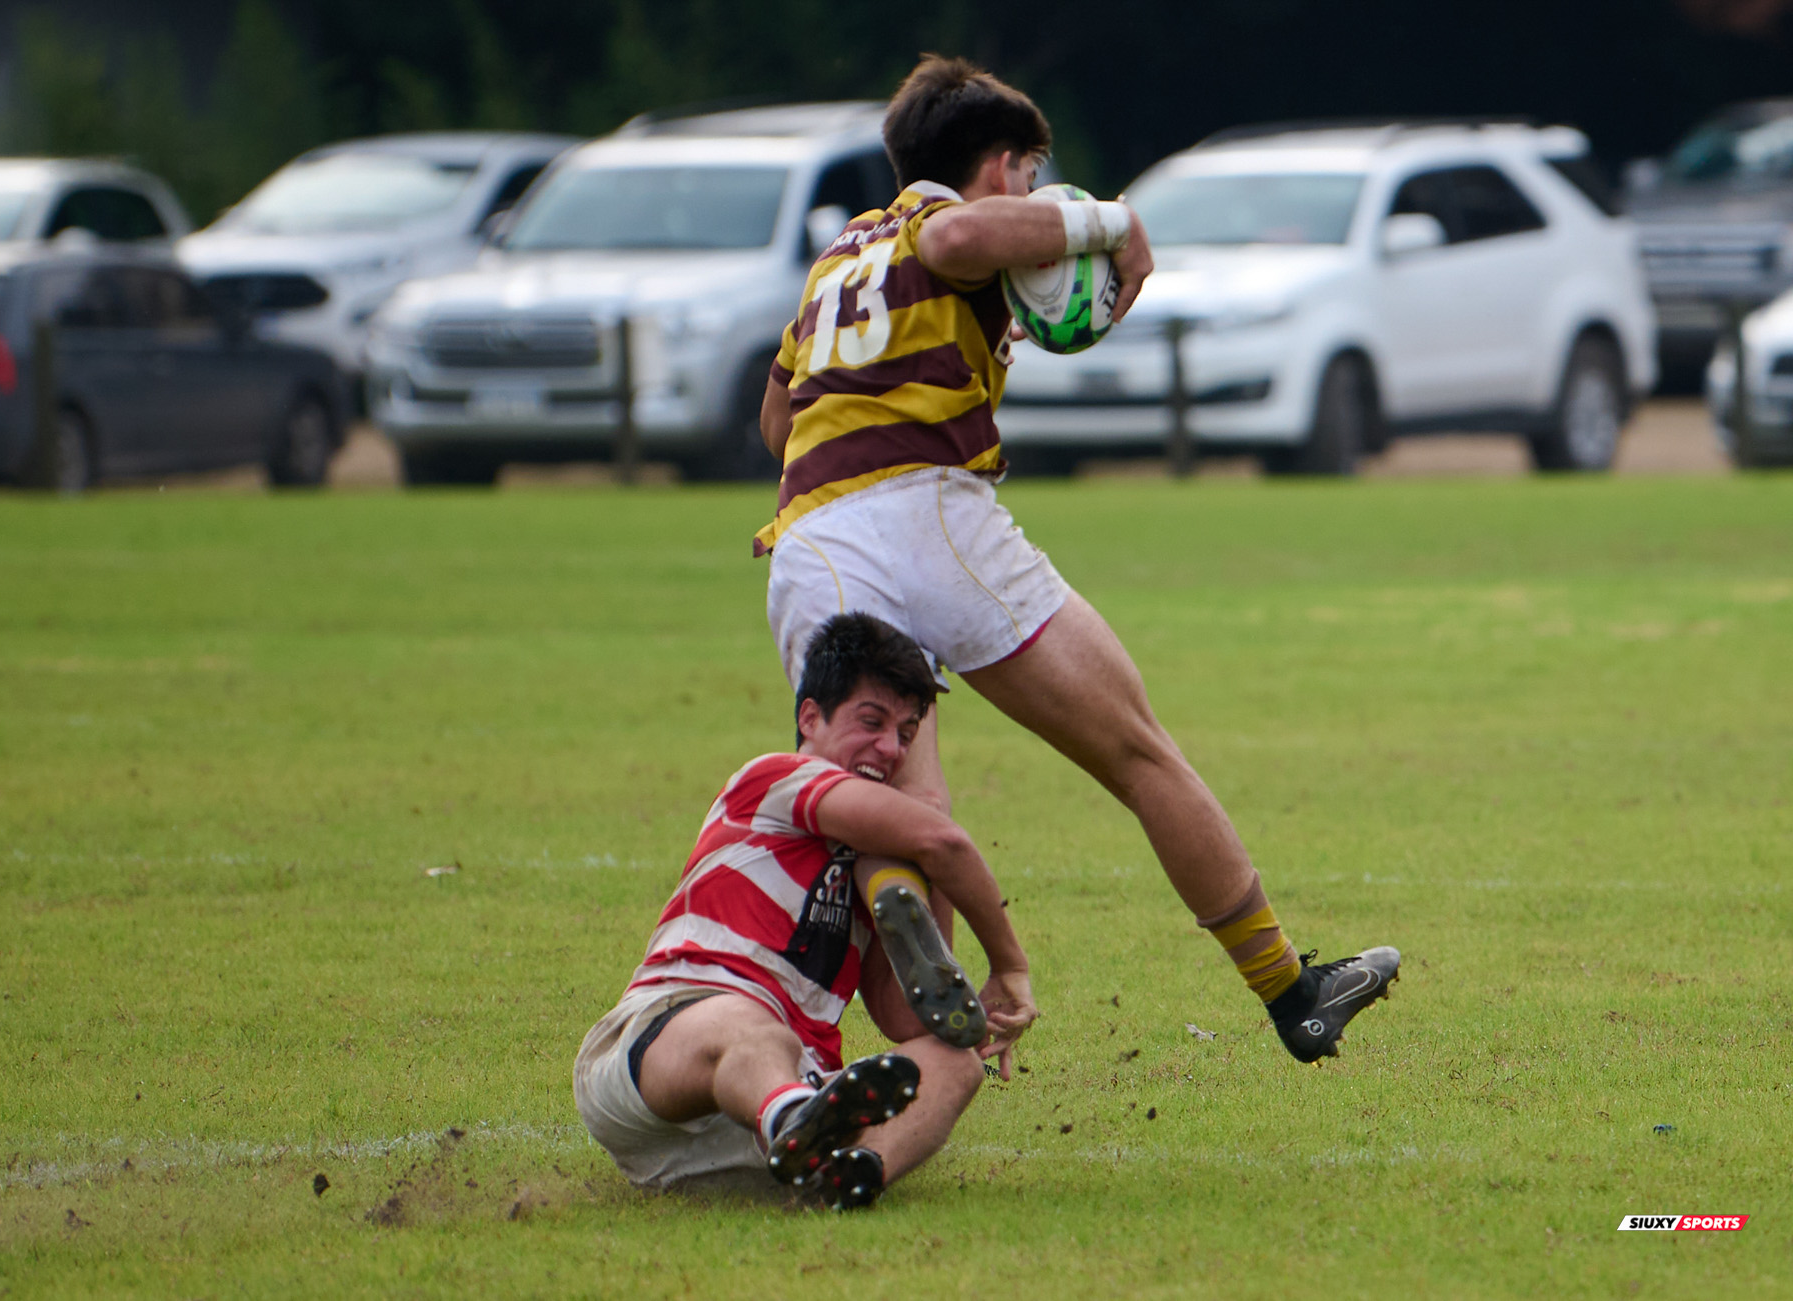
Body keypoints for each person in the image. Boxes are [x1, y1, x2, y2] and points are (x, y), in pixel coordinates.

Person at [755, 55, 1399, 1065]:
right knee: (1138, 752)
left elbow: (775, 417)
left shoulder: (840, 254)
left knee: (899, 801)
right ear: (1001, 165)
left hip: (810, 545)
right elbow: (964, 233)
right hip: (928, 516)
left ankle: (922, 1014)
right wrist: (1111, 220)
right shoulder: (943, 227)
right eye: (1030, 173)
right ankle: (1290, 988)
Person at [573, 613, 1036, 1210]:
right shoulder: (777, 779)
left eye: (905, 733)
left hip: (772, 1099)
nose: (890, 748)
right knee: (752, 1023)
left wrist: (926, 889)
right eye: (871, 722)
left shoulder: (880, 866)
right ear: (809, 717)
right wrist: (1009, 964)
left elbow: (906, 1020)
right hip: (663, 1053)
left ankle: (850, 1171)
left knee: (954, 1063)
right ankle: (797, 1120)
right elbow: (943, 842)